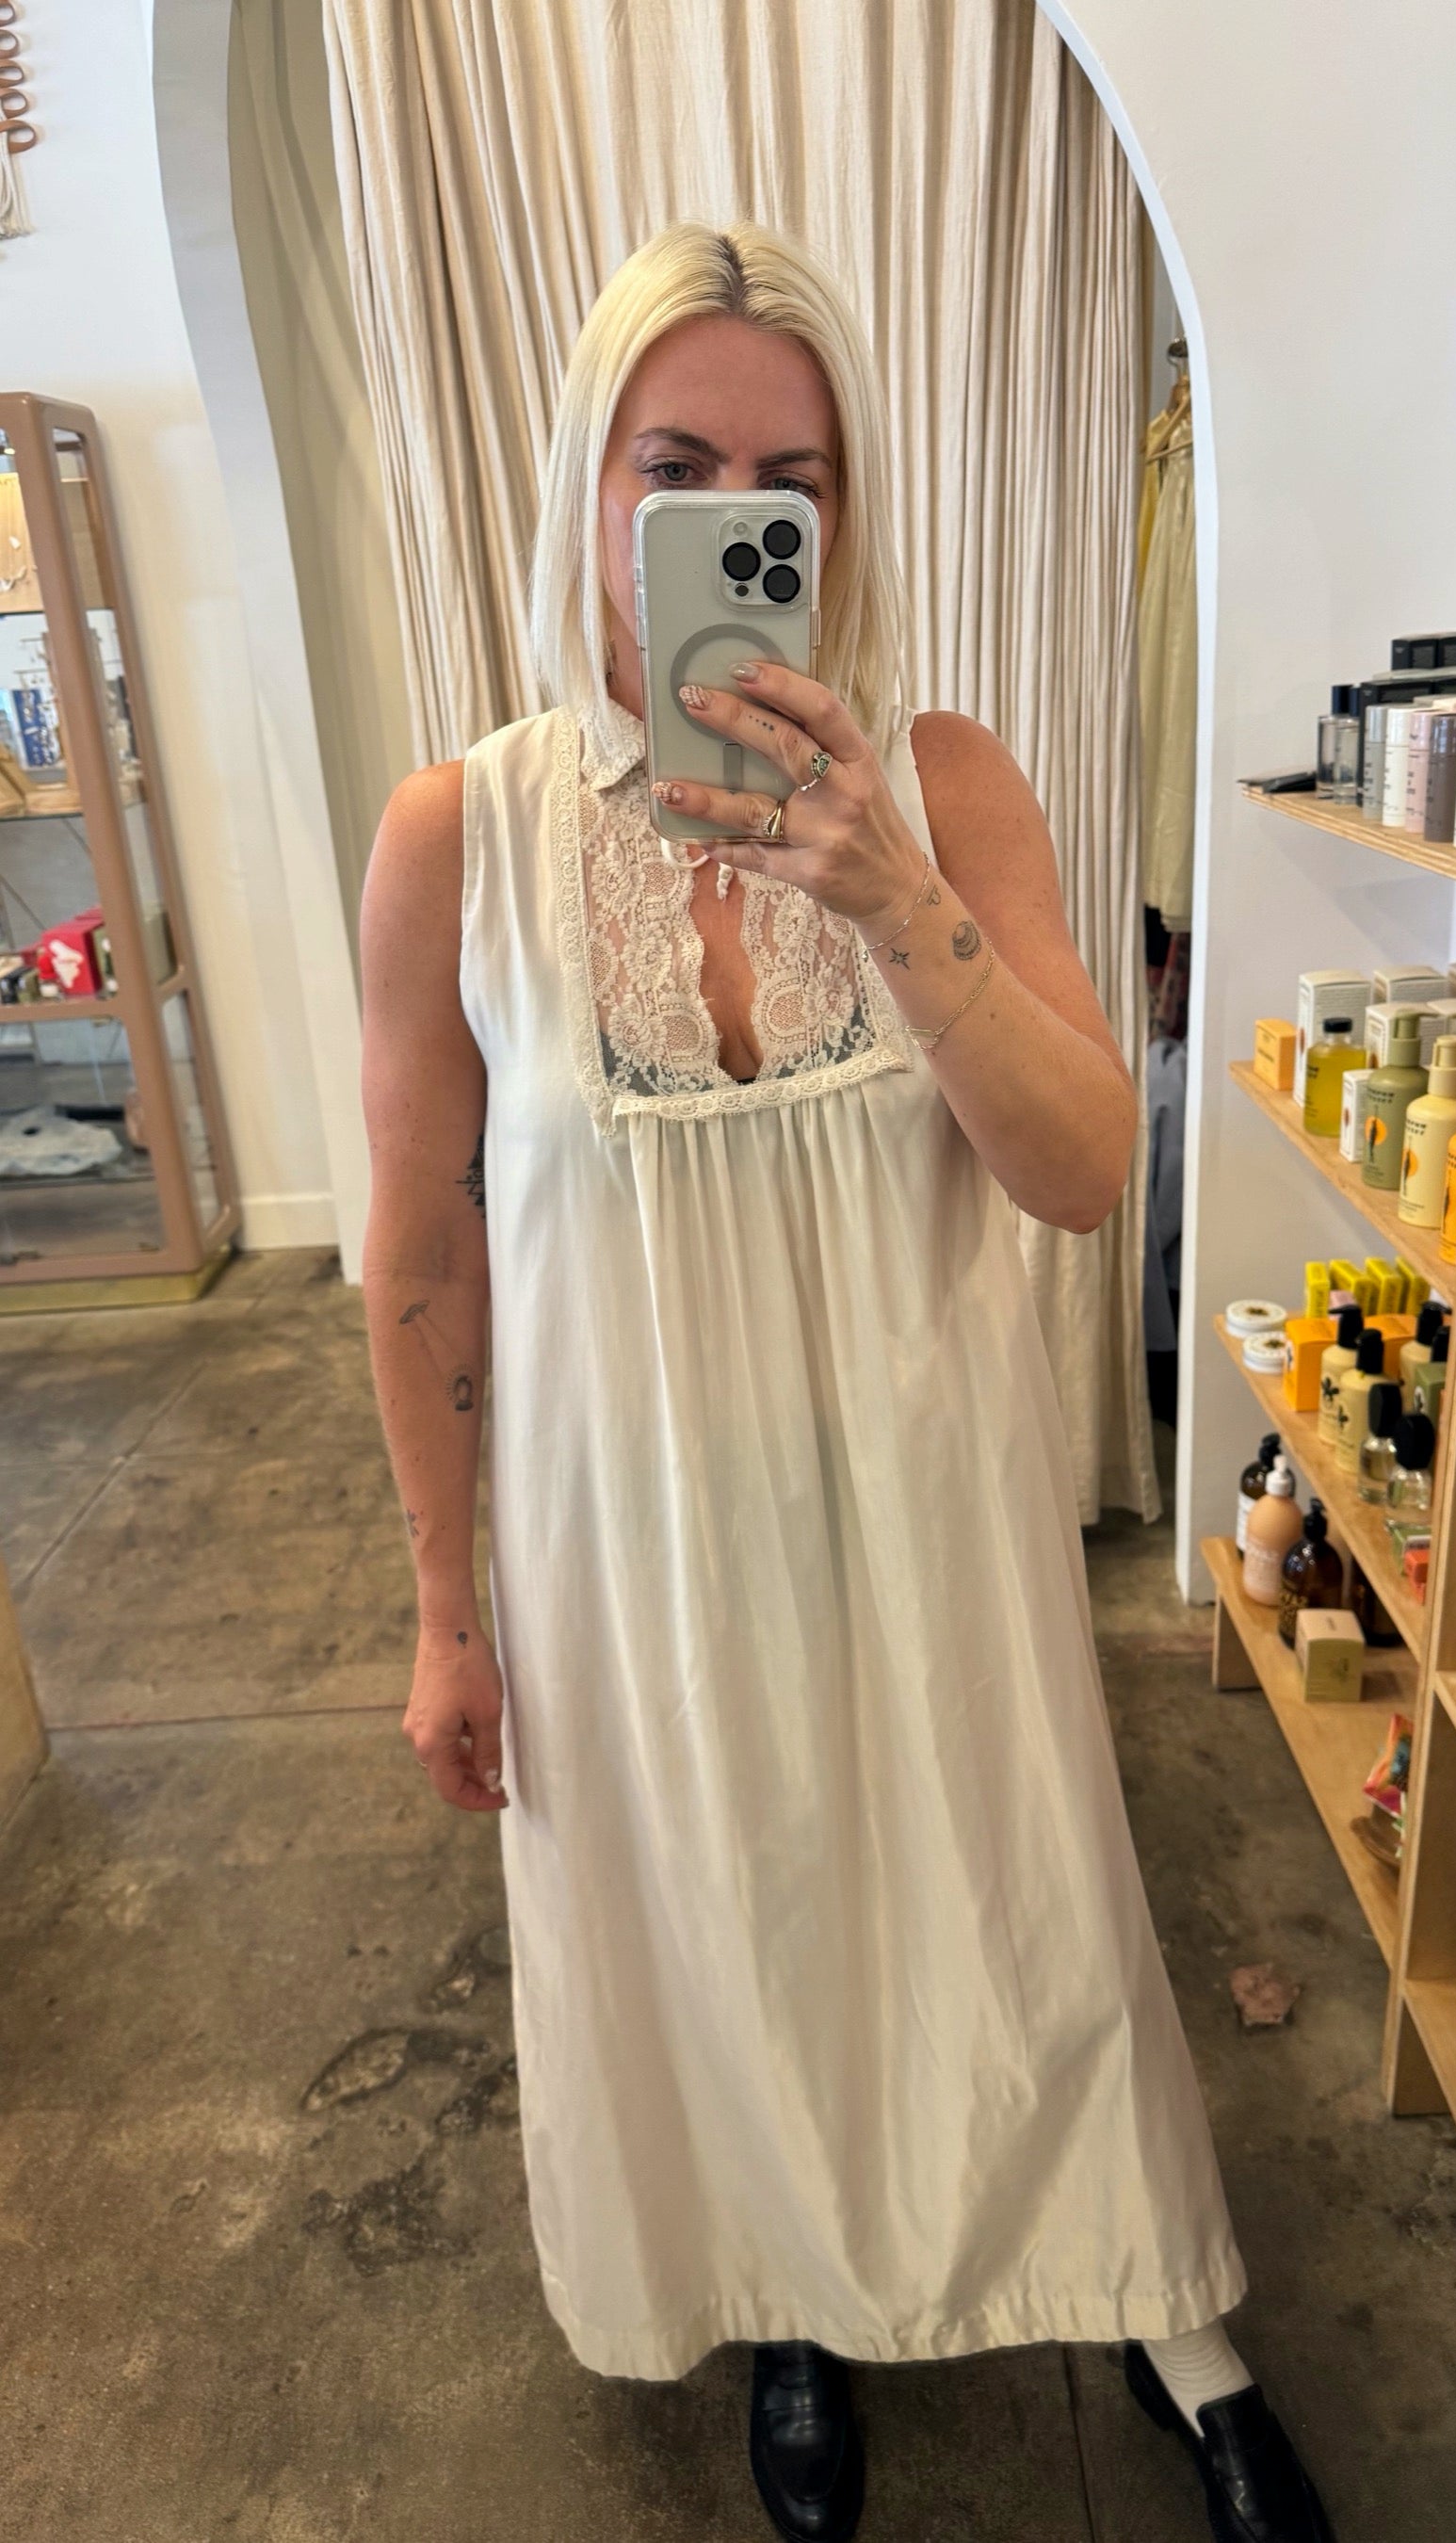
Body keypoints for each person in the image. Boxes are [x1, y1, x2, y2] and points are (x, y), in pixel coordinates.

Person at [359, 219, 1332, 2543]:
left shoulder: (945, 788)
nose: (733, 515)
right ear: (589, 488)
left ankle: (1167, 2310)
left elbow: (1081, 1173)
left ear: (845, 514)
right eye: (674, 466)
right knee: (724, 1921)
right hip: (632, 1557)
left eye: (786, 481)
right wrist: (445, 1610)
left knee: (1026, 1912)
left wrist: (897, 901)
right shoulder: (458, 834)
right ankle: (792, 2296)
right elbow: (421, 1253)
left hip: (928, 1527)